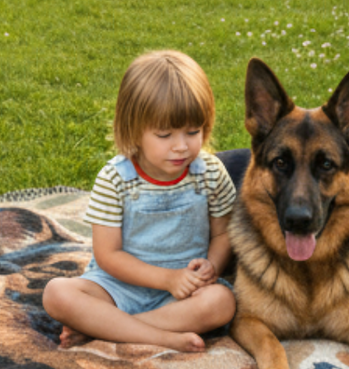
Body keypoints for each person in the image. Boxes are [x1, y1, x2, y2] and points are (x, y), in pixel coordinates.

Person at [43, 50, 237, 352]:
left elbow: (224, 233)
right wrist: (167, 278)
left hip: (181, 296)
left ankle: (105, 329)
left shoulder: (209, 172)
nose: (181, 146)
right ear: (134, 129)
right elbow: (108, 255)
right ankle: (159, 336)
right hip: (117, 288)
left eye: (193, 131)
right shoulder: (115, 178)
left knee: (221, 302)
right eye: (164, 134)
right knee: (56, 293)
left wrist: (211, 265)